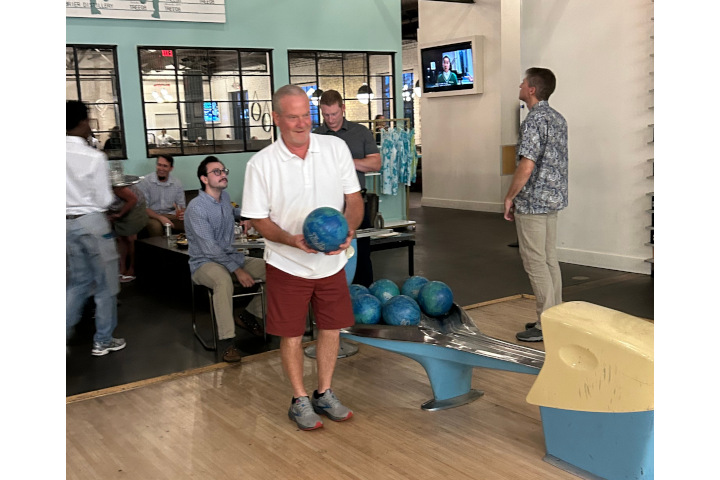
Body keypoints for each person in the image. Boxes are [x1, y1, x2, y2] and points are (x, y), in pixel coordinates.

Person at [241, 85, 364, 431]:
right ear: (277, 119)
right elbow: (259, 219)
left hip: (331, 263)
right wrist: (291, 241)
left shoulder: (335, 148)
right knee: (292, 334)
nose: (301, 123)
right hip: (287, 263)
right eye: (292, 117)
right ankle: (299, 399)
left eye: (305, 115)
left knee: (331, 328)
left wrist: (348, 229)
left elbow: (353, 200)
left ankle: (324, 392)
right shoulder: (261, 164)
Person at [503, 67, 568, 343]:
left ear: (531, 89)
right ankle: (555, 317)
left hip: (533, 202)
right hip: (553, 199)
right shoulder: (558, 119)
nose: (519, 84)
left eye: (523, 82)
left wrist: (510, 196)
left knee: (534, 262)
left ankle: (545, 324)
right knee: (549, 259)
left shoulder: (533, 121)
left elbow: (527, 165)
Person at [185, 156, 267, 362]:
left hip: (231, 256)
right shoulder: (196, 208)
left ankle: (249, 316)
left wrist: (248, 216)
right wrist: (237, 270)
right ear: (204, 179)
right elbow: (210, 249)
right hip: (204, 262)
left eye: (224, 171)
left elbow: (233, 212)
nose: (223, 175)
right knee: (222, 281)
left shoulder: (224, 198)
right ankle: (226, 342)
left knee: (274, 270)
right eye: (217, 172)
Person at [66, 100, 126, 356]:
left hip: (65, 225)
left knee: (77, 283)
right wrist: (116, 204)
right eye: (88, 120)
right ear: (81, 122)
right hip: (92, 223)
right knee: (106, 284)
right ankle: (103, 340)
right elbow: (103, 200)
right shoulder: (94, 157)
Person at [314, 89, 381, 287]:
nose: (330, 119)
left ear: (343, 109)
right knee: (327, 255)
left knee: (360, 255)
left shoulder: (360, 132)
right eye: (326, 115)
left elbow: (375, 164)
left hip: (357, 202)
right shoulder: (315, 136)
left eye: (334, 114)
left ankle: (363, 297)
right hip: (326, 205)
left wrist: (345, 161)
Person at [137, 154, 186, 236]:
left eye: (165, 166)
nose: (161, 169)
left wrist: (182, 213)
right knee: (156, 227)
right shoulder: (146, 182)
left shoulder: (177, 183)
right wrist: (160, 218)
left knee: (191, 223)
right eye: (159, 165)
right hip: (151, 216)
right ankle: (161, 248)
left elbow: (182, 206)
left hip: (171, 215)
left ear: (171, 168)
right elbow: (144, 208)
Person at [108, 183, 148, 282]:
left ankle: (132, 269)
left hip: (134, 206)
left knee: (130, 238)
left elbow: (133, 199)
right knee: (121, 237)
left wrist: (119, 215)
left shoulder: (114, 185)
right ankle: (122, 268)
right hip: (118, 207)